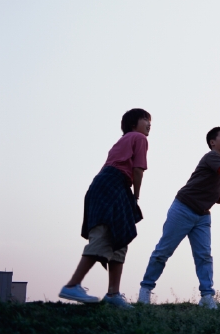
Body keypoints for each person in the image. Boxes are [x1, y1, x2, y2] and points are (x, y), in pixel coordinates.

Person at [138, 127, 220, 309]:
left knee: (204, 256)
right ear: (213, 142)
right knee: (163, 251)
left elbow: (217, 197)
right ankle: (145, 290)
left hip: (203, 216)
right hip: (183, 208)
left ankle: (206, 296)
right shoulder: (212, 158)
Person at [59, 108, 152, 309]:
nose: (149, 123)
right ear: (133, 123)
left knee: (119, 239)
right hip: (113, 185)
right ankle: (72, 285)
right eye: (145, 119)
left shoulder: (123, 140)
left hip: (108, 186)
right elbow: (137, 170)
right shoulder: (138, 138)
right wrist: (136, 195)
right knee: (104, 235)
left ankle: (113, 294)